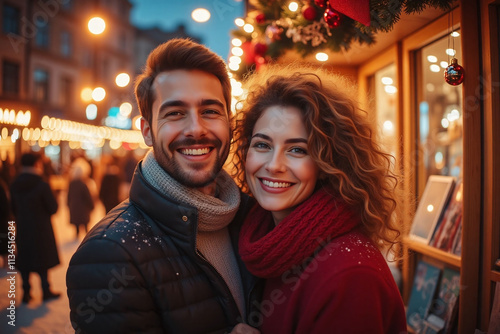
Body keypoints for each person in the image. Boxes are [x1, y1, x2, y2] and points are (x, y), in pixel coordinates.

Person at [66, 38, 260, 334]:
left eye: (210, 111)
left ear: (229, 122)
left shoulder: (256, 218)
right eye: (175, 113)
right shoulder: (109, 253)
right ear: (147, 131)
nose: (196, 128)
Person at [231, 65, 407, 333]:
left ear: (328, 163)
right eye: (262, 145)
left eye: (298, 149)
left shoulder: (350, 275)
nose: (274, 165)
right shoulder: (267, 243)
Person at [10, 152, 60, 303]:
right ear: (36, 164)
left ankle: (26, 292)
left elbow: (13, 208)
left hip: (23, 227)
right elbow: (53, 208)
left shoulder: (14, 184)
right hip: (41, 229)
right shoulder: (42, 184)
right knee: (42, 259)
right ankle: (45, 290)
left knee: (25, 259)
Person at [67, 158, 95, 238]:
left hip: (74, 207)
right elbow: (87, 197)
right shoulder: (83, 184)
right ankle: (87, 236)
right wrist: (92, 206)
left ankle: (77, 234)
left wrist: (68, 205)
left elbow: (69, 196)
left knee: (77, 224)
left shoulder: (72, 183)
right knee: (85, 224)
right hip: (83, 209)